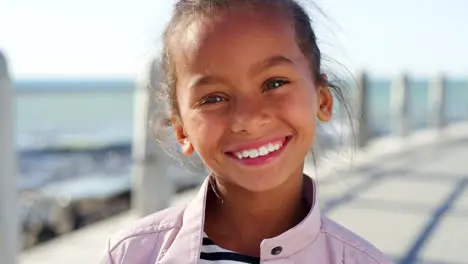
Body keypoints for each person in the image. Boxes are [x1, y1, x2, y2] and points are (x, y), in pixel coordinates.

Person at [101, 0, 394, 263]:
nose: (249, 118)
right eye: (213, 98)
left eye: (275, 83)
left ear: (323, 100)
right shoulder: (132, 255)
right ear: (181, 131)